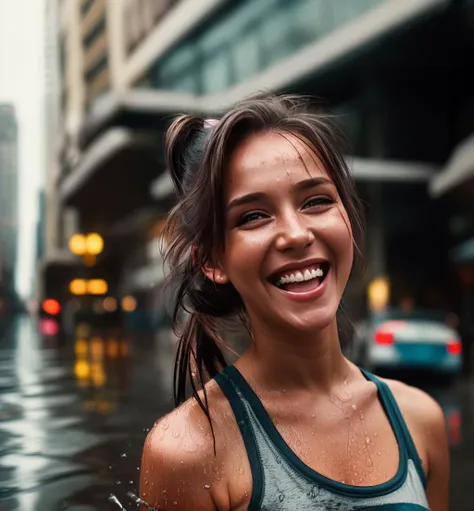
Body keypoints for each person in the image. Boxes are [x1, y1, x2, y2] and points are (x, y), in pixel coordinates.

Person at [139, 95, 449, 510]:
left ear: (349, 220)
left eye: (316, 201)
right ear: (213, 260)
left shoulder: (420, 420)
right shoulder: (187, 452)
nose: (296, 234)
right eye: (253, 216)